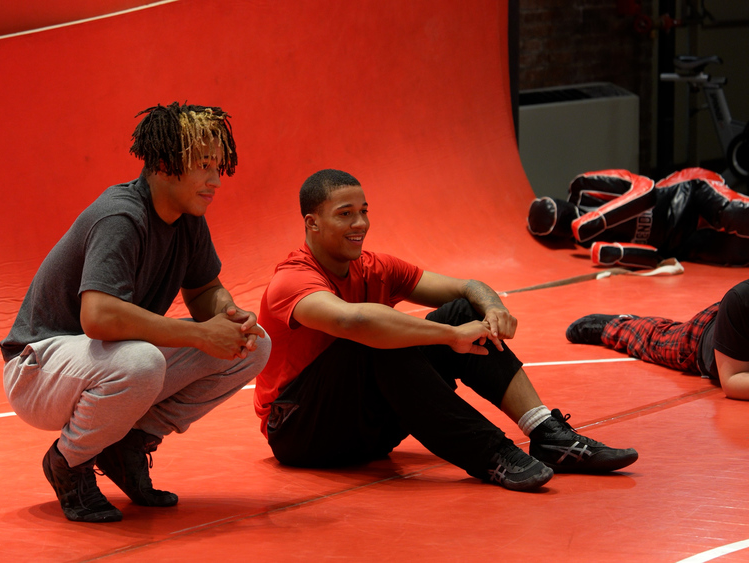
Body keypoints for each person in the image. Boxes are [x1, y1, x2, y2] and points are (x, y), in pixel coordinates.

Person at [255, 169, 638, 492]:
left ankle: (548, 435)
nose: (361, 224)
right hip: (301, 433)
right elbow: (352, 321)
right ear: (312, 223)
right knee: (377, 337)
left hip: (368, 432)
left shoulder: (376, 266)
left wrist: (493, 310)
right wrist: (450, 337)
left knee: (461, 312)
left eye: (364, 211)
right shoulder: (292, 279)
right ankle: (493, 453)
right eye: (345, 214)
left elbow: (467, 288)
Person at [0, 102, 271, 523]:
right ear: (164, 164)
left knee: (254, 345)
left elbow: (205, 290)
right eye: (204, 166)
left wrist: (229, 316)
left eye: (218, 167)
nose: (216, 180)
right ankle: (69, 462)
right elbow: (99, 318)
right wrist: (202, 335)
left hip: (101, 361)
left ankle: (128, 444)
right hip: (36, 371)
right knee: (141, 362)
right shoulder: (121, 216)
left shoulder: (187, 218)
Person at [527, 168, 749, 269]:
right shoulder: (585, 245)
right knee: (738, 252)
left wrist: (600, 219)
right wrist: (615, 254)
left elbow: (645, 189)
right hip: (681, 243)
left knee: (734, 213)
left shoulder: (584, 187)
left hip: (687, 197)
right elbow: (654, 257)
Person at [566, 279, 749, 400]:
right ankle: (617, 325)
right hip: (702, 339)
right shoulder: (740, 298)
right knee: (658, 340)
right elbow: (732, 382)